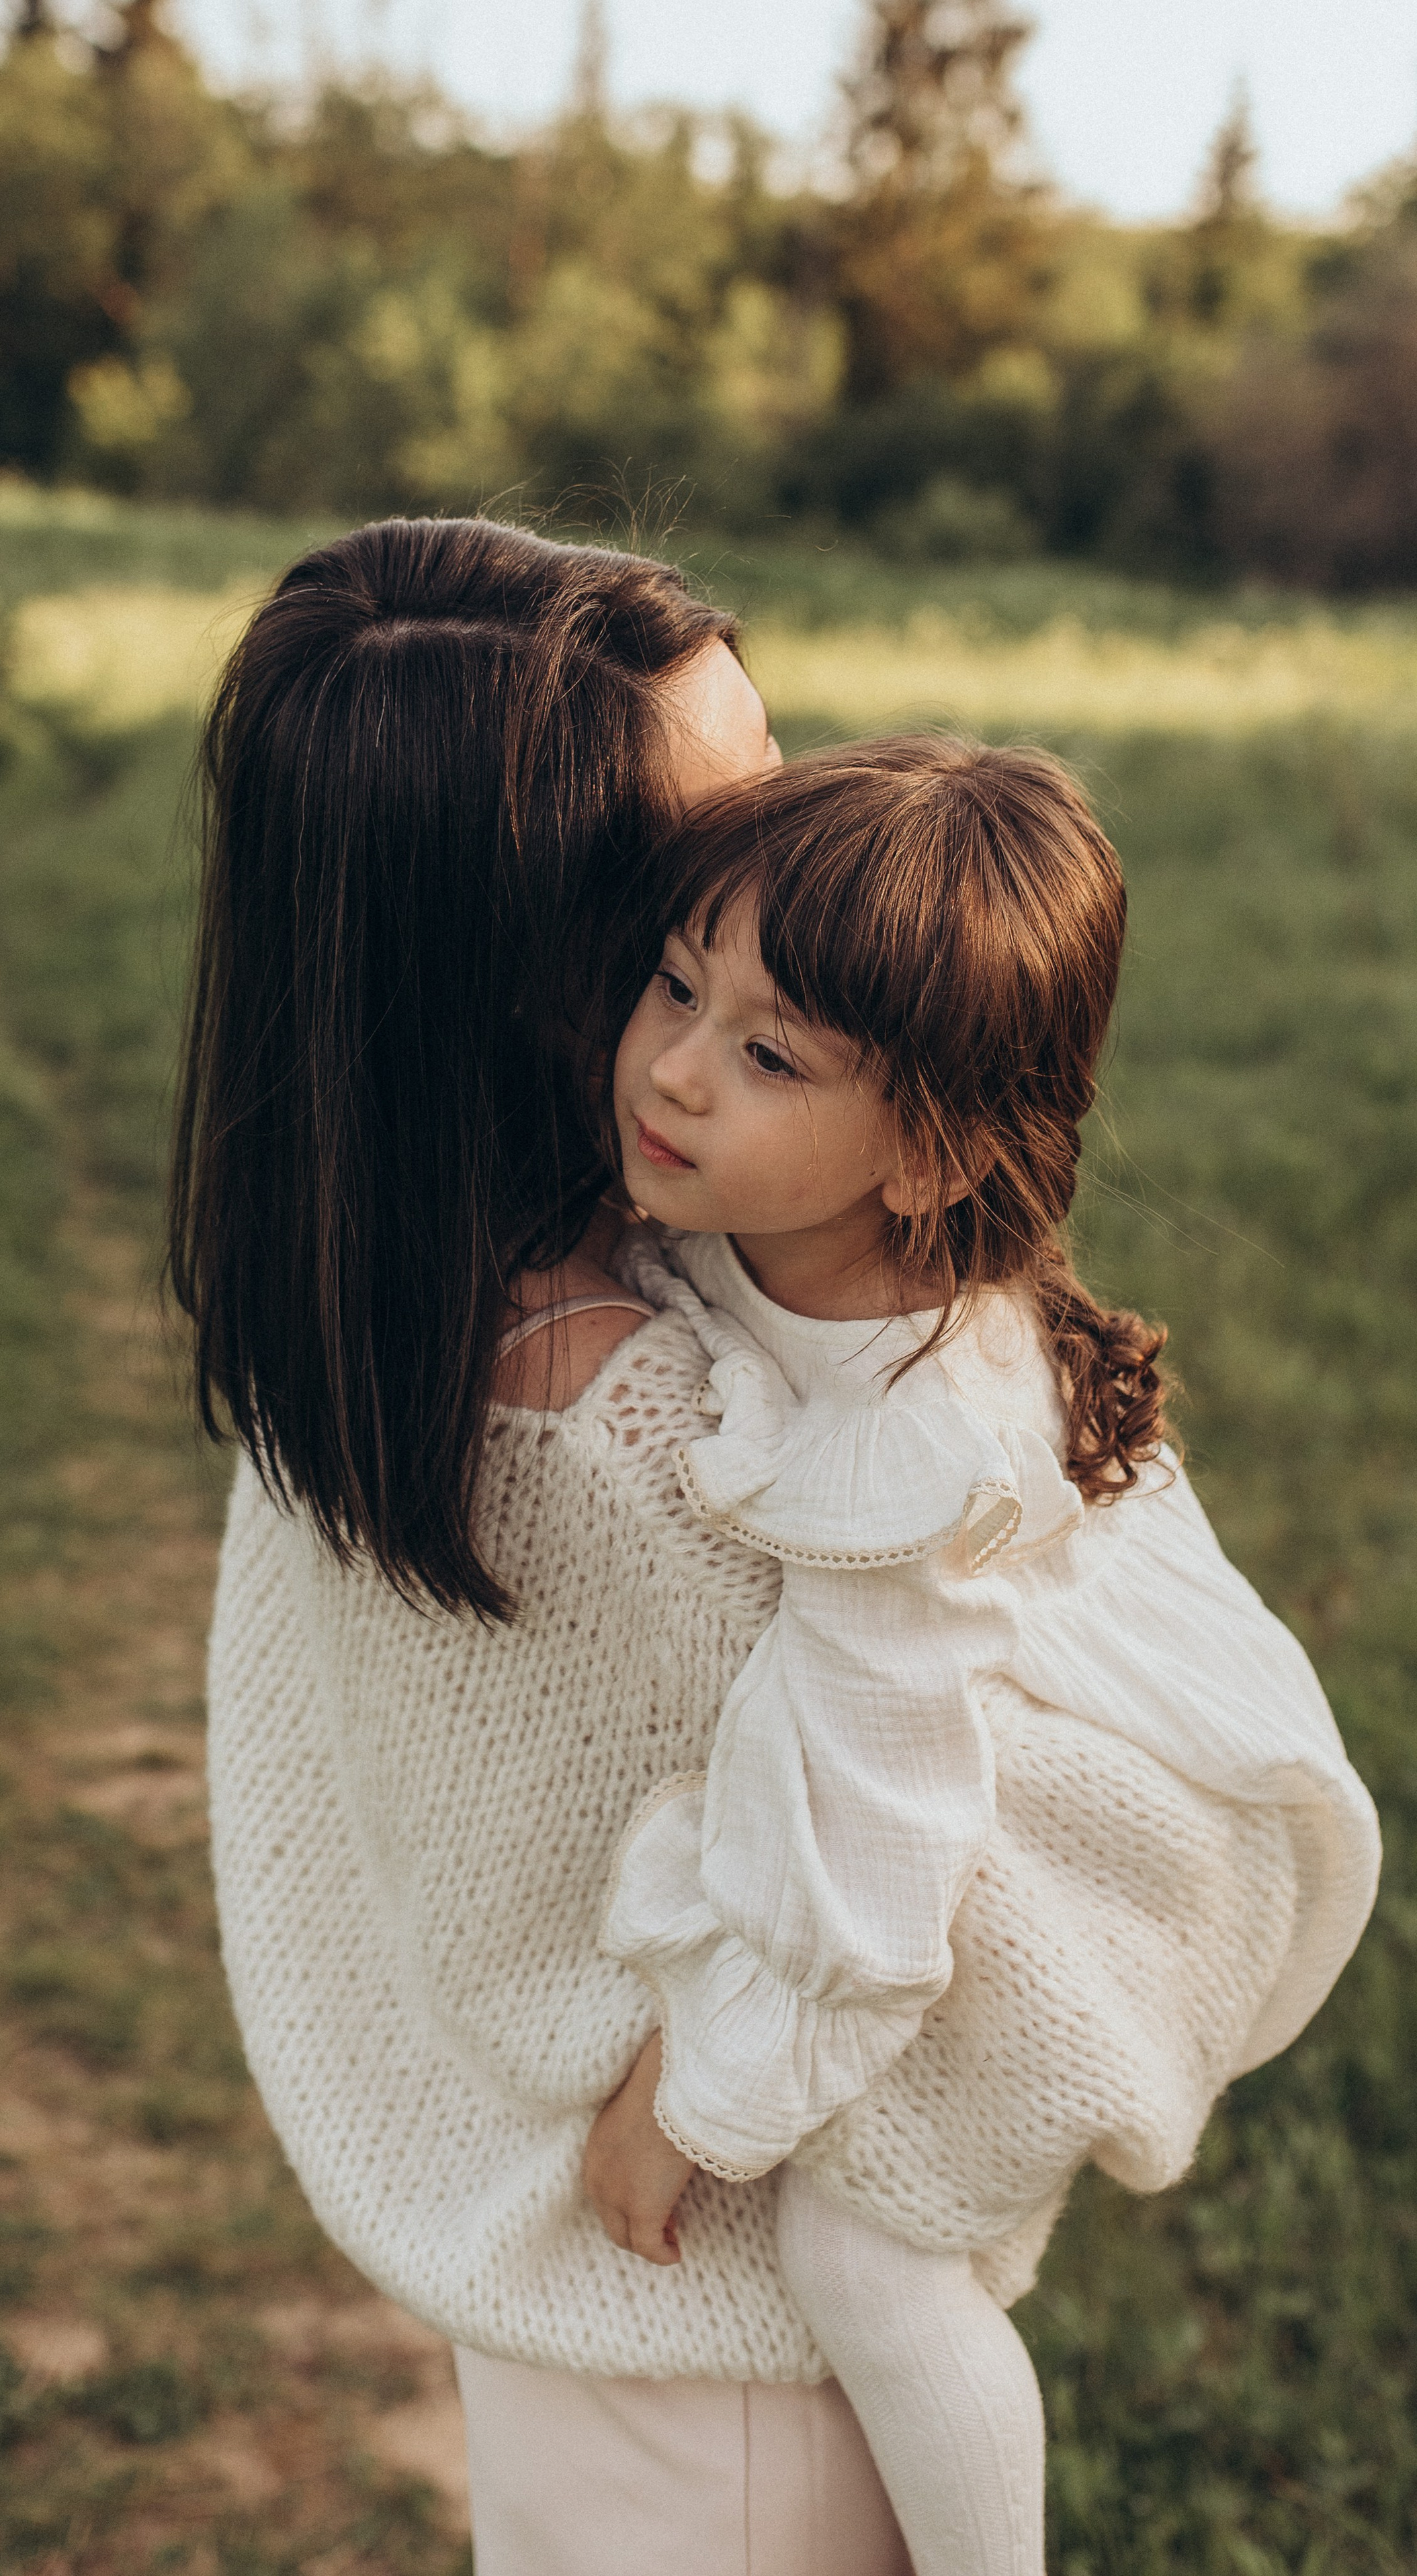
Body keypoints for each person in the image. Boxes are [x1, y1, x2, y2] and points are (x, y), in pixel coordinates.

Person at [174, 517, 917, 2575]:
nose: (816, 865)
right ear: (548, 974)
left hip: (603, 2329)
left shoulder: (383, 1306)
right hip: (734, 2353)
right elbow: (956, 1877)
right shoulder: (631, 1443)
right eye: (729, 849)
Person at [585, 736, 1383, 2576]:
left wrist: (691, 2100)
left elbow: (873, 1901)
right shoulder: (769, 1212)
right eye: (677, 984)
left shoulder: (920, 1464)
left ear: (935, 1149)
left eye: (771, 1052)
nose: (677, 1067)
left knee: (873, 2247)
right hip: (964, 1735)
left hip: (1136, 1813)